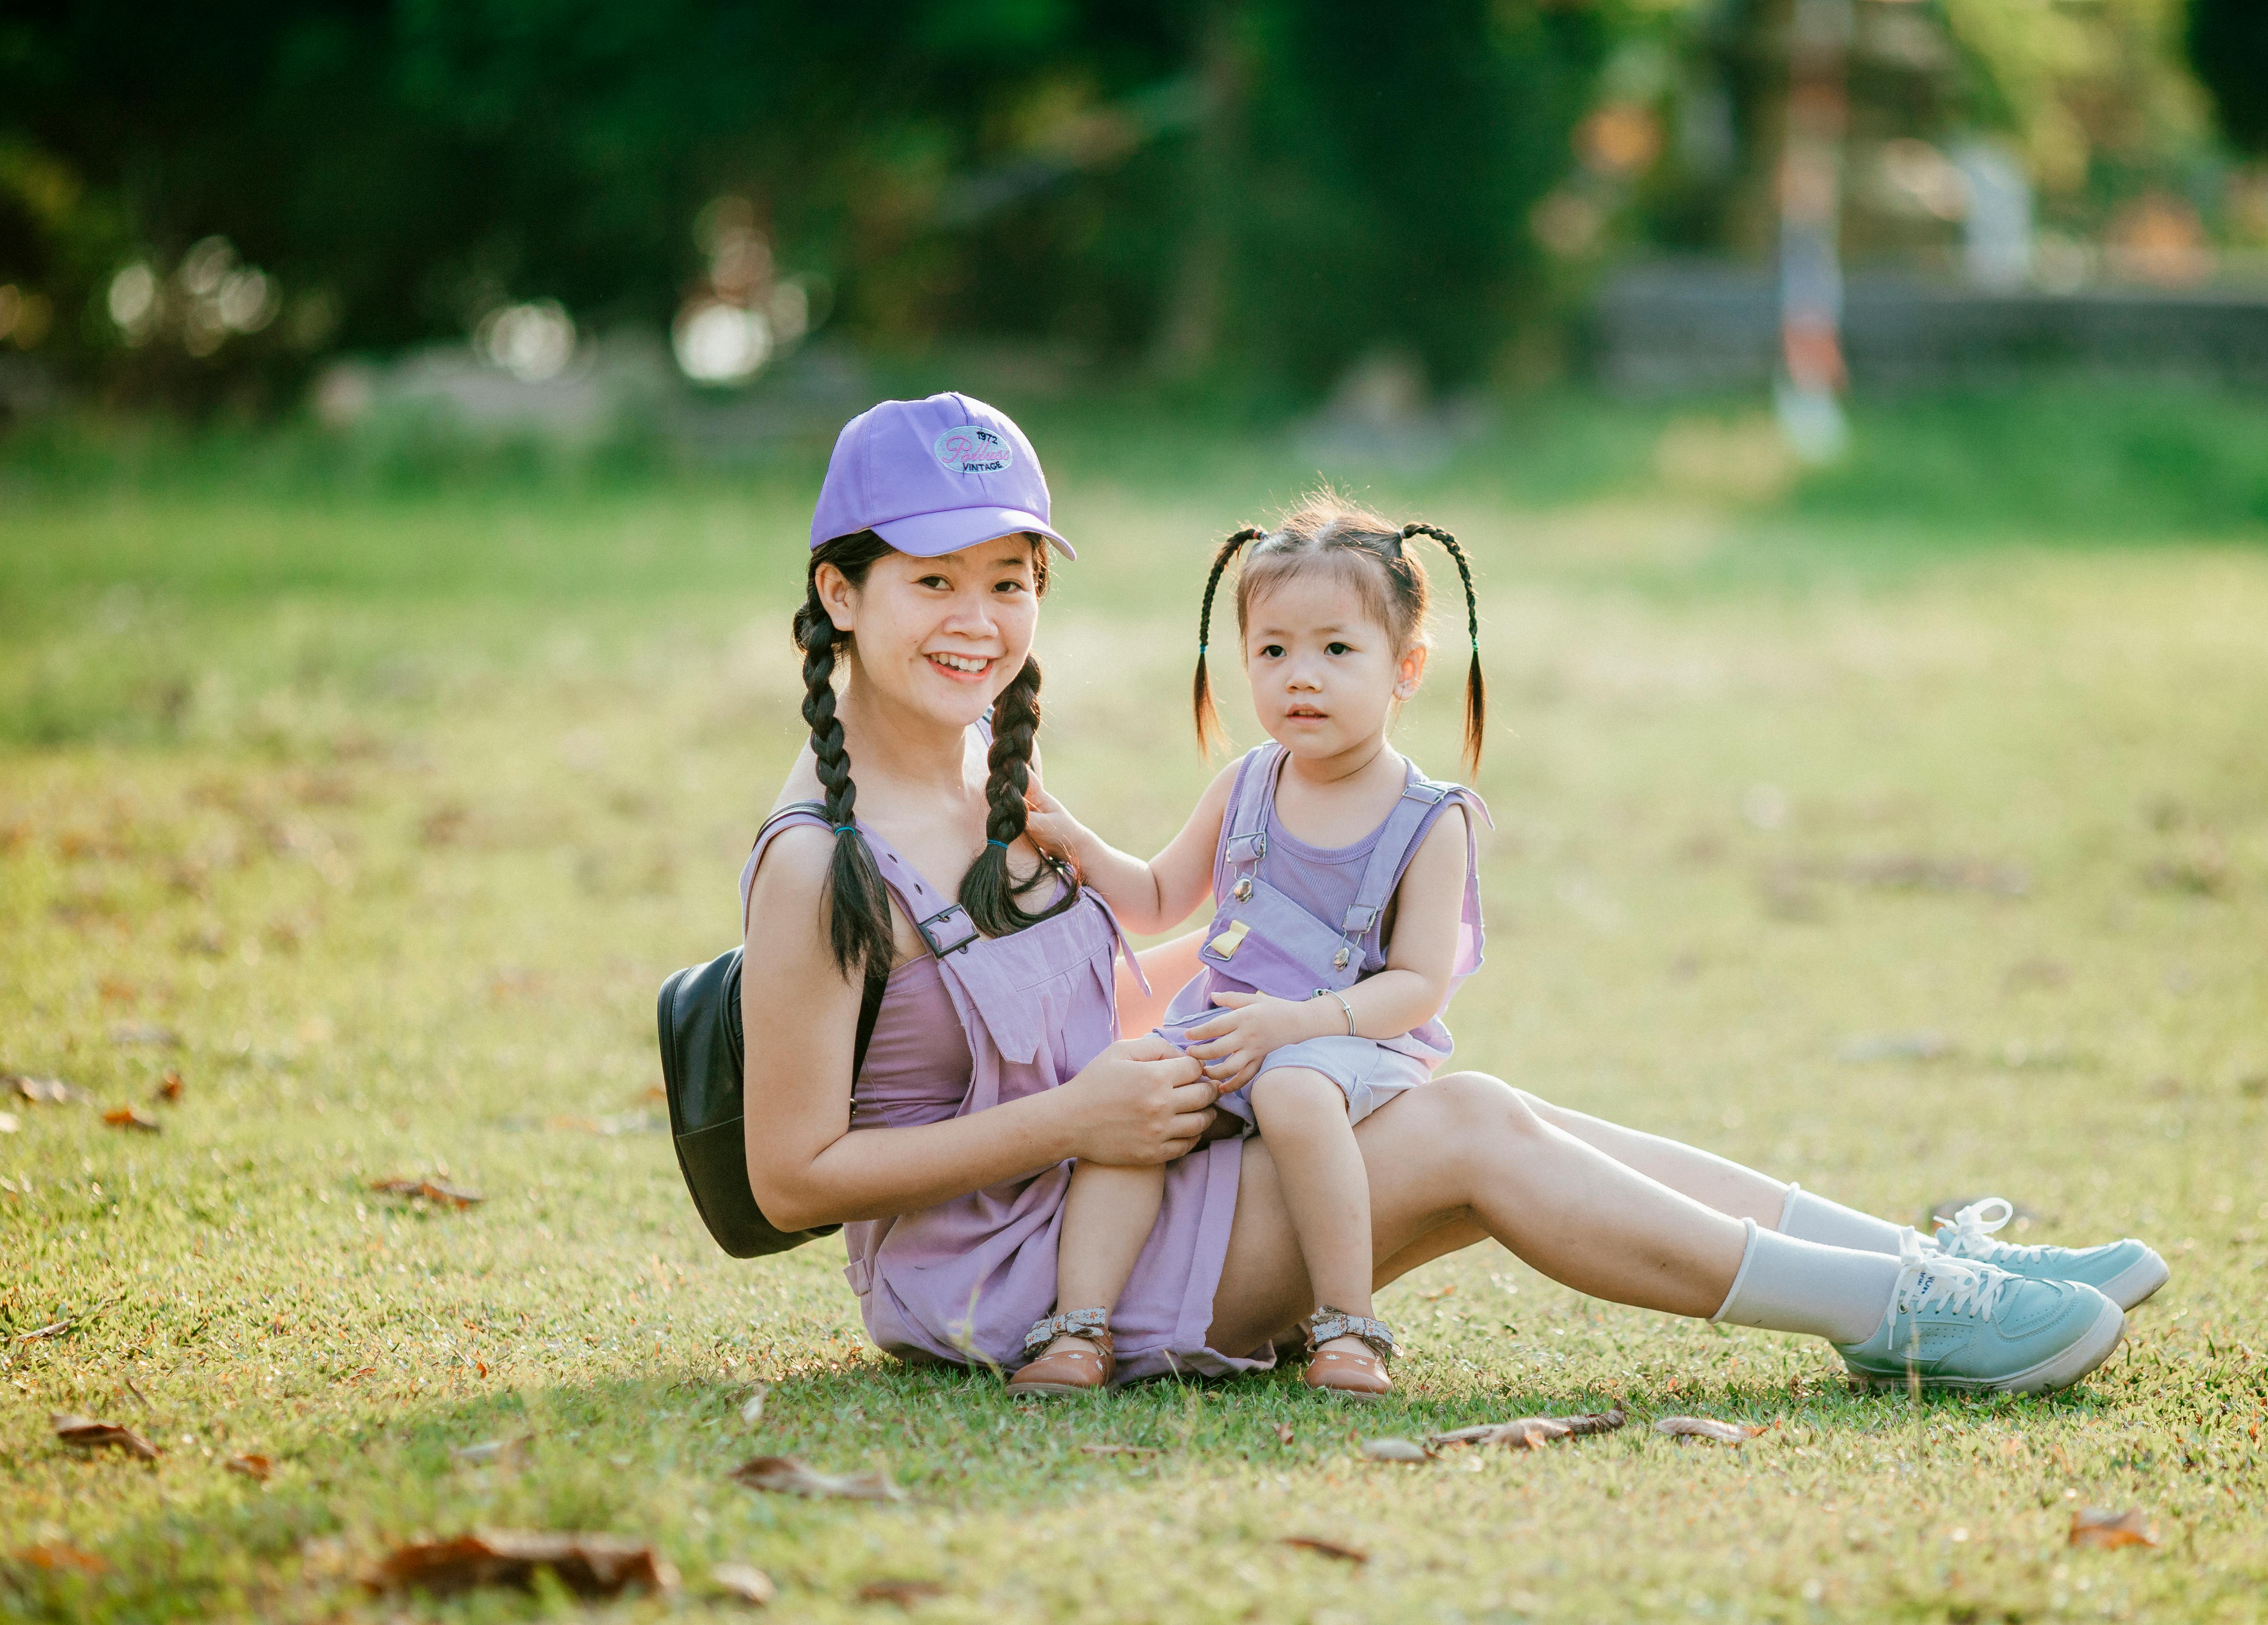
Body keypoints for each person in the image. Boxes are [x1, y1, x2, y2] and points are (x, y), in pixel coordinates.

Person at [738, 393, 2168, 1407]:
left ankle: (1918, 1267)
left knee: (1493, 1109)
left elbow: (1091, 1003)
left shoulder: (1003, 780)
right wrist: (1081, 1119)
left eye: (1010, 579)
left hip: (1129, 1173)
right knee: (1472, 1123)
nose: (981, 621)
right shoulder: (823, 863)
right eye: (935, 581)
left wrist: (1266, 1013)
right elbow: (792, 1178)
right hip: (1014, 1269)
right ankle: (1907, 1321)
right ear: (842, 594)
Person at [1009, 491, 1492, 1400]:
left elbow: (1421, 985)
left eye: (1337, 650)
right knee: (1136, 1095)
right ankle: (1081, 1326)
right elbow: (1158, 897)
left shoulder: (1431, 821)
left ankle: (1348, 1327)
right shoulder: (1248, 784)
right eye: (1273, 652)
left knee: (1295, 1092)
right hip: (1229, 1030)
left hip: (1354, 1041)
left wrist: (1297, 1025)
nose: (1300, 677)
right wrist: (1076, 841)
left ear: (1408, 666)